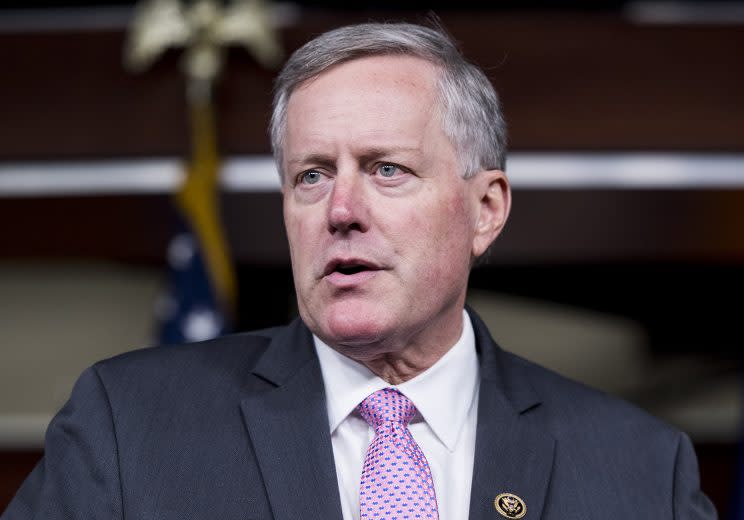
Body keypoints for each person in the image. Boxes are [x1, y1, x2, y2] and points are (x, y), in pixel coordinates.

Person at [2, 22, 717, 520]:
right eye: (311, 176)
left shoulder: (641, 470)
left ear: (486, 209)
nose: (341, 209)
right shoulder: (129, 428)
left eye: (387, 169)